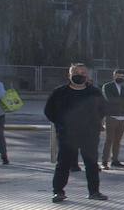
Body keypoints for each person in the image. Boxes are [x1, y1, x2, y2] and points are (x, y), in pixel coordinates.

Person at [44, 63, 108, 202]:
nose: (80, 75)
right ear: (69, 75)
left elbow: (103, 109)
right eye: (76, 72)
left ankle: (94, 192)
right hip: (67, 135)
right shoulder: (59, 92)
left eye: (83, 73)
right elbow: (49, 111)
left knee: (91, 164)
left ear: (87, 76)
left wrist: (95, 124)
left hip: (89, 135)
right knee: (63, 163)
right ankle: (58, 192)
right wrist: (61, 124)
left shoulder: (94, 92)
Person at [100, 69, 124, 169]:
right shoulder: (107, 86)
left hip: (122, 117)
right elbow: (110, 99)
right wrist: (123, 102)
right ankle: (104, 161)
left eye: (122, 77)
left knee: (118, 141)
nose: (120, 78)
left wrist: (122, 102)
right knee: (109, 140)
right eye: (118, 76)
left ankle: (115, 160)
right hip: (111, 116)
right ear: (114, 76)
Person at [0, 77, 9, 165]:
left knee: (0, 136)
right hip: (0, 114)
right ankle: (4, 156)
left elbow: (2, 95)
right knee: (0, 136)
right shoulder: (0, 84)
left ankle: (4, 156)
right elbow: (2, 94)